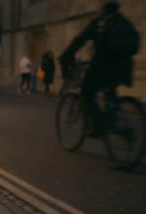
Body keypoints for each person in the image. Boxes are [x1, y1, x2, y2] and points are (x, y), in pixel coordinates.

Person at [59, 1, 139, 136]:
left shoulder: (99, 22)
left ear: (102, 9)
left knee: (86, 93)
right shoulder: (124, 22)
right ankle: (112, 118)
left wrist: (65, 57)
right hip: (124, 69)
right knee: (110, 91)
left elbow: (79, 40)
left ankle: (98, 126)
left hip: (103, 67)